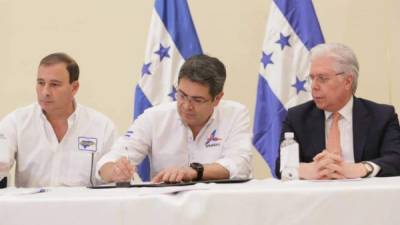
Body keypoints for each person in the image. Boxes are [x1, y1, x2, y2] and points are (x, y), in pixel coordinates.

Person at [97, 54, 252, 183]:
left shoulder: (235, 114)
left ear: (217, 99)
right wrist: (114, 172)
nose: (186, 106)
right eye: (182, 95)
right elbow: (109, 160)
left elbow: (240, 164)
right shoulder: (154, 117)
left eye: (197, 100)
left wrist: (193, 172)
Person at [276, 43, 400, 180]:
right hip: (316, 198)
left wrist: (361, 168)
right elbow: (280, 166)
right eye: (312, 78)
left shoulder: (382, 116)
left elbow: (396, 159)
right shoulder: (297, 117)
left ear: (347, 82)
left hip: (366, 198)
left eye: (322, 78)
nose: (314, 86)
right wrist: (305, 170)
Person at [0, 53, 117, 187]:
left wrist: (116, 172)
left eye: (54, 84)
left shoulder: (102, 126)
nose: (45, 92)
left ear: (74, 88)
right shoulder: (17, 122)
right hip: (32, 206)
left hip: (84, 207)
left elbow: (112, 177)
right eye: (41, 83)